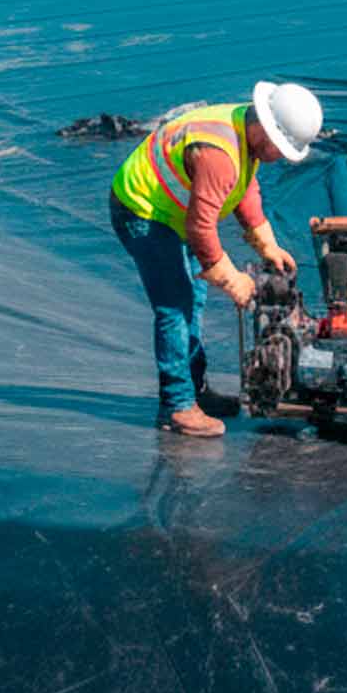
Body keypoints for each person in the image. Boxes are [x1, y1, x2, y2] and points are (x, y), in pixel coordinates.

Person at [110, 81, 325, 438]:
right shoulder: (219, 154)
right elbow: (201, 228)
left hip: (174, 214)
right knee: (174, 305)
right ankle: (177, 407)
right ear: (267, 132)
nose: (281, 157)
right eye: (281, 149)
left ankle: (196, 391)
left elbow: (244, 187)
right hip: (142, 211)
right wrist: (230, 277)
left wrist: (264, 241)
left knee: (194, 297)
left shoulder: (245, 130)